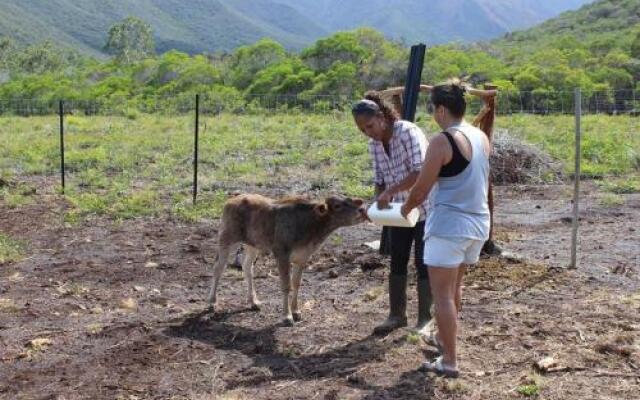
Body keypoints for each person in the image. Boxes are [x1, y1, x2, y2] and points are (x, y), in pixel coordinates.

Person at [401, 80, 491, 378]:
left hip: (449, 226)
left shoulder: (442, 141)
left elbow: (421, 189)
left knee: (441, 296)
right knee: (454, 290)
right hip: (477, 224)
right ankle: (444, 341)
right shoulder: (480, 137)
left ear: (441, 109)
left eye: (433, 110)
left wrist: (404, 209)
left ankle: (449, 360)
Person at [351, 91, 433, 336]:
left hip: (424, 206)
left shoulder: (408, 132)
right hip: (398, 212)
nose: (368, 132)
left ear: (382, 117)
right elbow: (380, 180)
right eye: (363, 129)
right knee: (397, 260)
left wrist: (391, 191)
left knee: (423, 262)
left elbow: (420, 172)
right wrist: (376, 204)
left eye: (370, 125)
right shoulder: (374, 145)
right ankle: (396, 315)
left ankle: (425, 319)